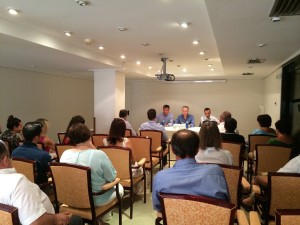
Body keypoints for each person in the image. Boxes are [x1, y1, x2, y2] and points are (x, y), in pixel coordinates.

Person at [0, 141, 83, 225]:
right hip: (44, 220)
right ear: (6, 159)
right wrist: (57, 218)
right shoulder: (17, 182)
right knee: (76, 220)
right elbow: (35, 222)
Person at [60, 123, 124, 223]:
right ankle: (103, 218)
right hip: (94, 200)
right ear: (90, 136)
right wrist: (93, 147)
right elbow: (112, 177)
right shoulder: (98, 154)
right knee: (119, 187)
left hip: (70, 199)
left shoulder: (65, 153)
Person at [152, 129, 230, 212]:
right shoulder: (216, 172)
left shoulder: (160, 178)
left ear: (172, 150)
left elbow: (158, 207)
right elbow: (226, 203)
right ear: (197, 150)